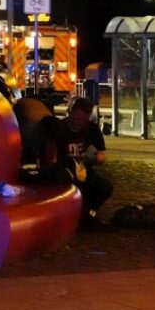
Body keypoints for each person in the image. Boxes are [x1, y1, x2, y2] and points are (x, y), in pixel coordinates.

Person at [57, 97, 114, 228]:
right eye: (77, 118)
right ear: (71, 112)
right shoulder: (60, 129)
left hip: (85, 171)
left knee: (104, 187)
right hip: (66, 172)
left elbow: (101, 154)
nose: (80, 123)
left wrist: (96, 158)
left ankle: (88, 212)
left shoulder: (91, 129)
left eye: (84, 120)